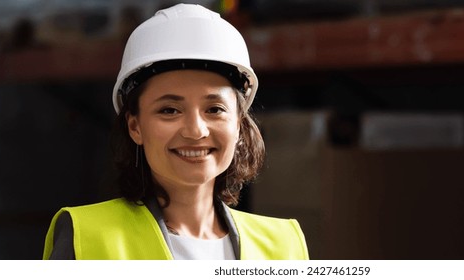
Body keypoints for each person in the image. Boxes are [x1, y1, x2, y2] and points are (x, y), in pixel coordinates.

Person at [41, 3, 309, 260]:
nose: (195, 131)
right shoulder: (86, 236)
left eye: (214, 109)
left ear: (238, 124)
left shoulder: (284, 245)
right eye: (169, 110)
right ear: (135, 126)